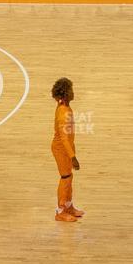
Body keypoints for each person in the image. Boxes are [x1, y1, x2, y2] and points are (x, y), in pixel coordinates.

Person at [51, 77, 82, 221]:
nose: (73, 92)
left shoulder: (64, 106)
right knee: (65, 178)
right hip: (61, 149)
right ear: (65, 94)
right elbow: (63, 138)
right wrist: (73, 157)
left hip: (67, 148)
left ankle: (69, 206)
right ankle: (60, 211)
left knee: (69, 177)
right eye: (70, 90)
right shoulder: (63, 111)